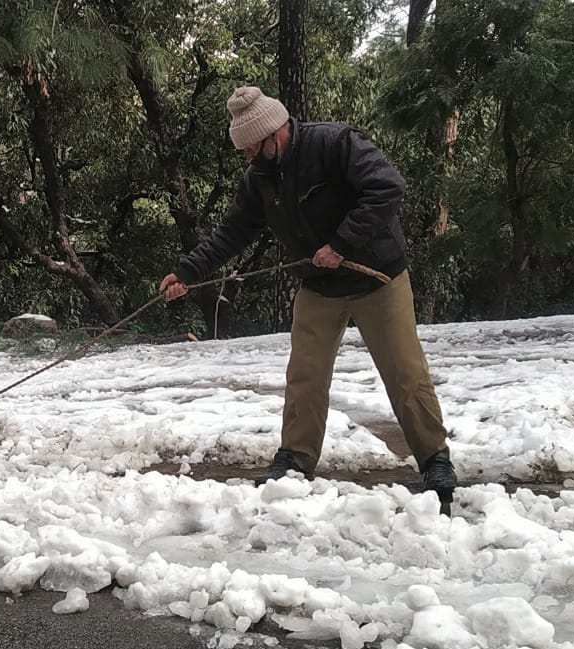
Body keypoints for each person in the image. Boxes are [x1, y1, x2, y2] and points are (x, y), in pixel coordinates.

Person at [158, 86, 457, 503]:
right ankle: (296, 458)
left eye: (251, 149)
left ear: (273, 135)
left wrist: (341, 244)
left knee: (405, 373)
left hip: (376, 277)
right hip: (319, 286)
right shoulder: (259, 178)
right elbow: (232, 232)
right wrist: (187, 272)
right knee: (305, 375)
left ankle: (435, 459)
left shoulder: (334, 143)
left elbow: (387, 188)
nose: (247, 158)